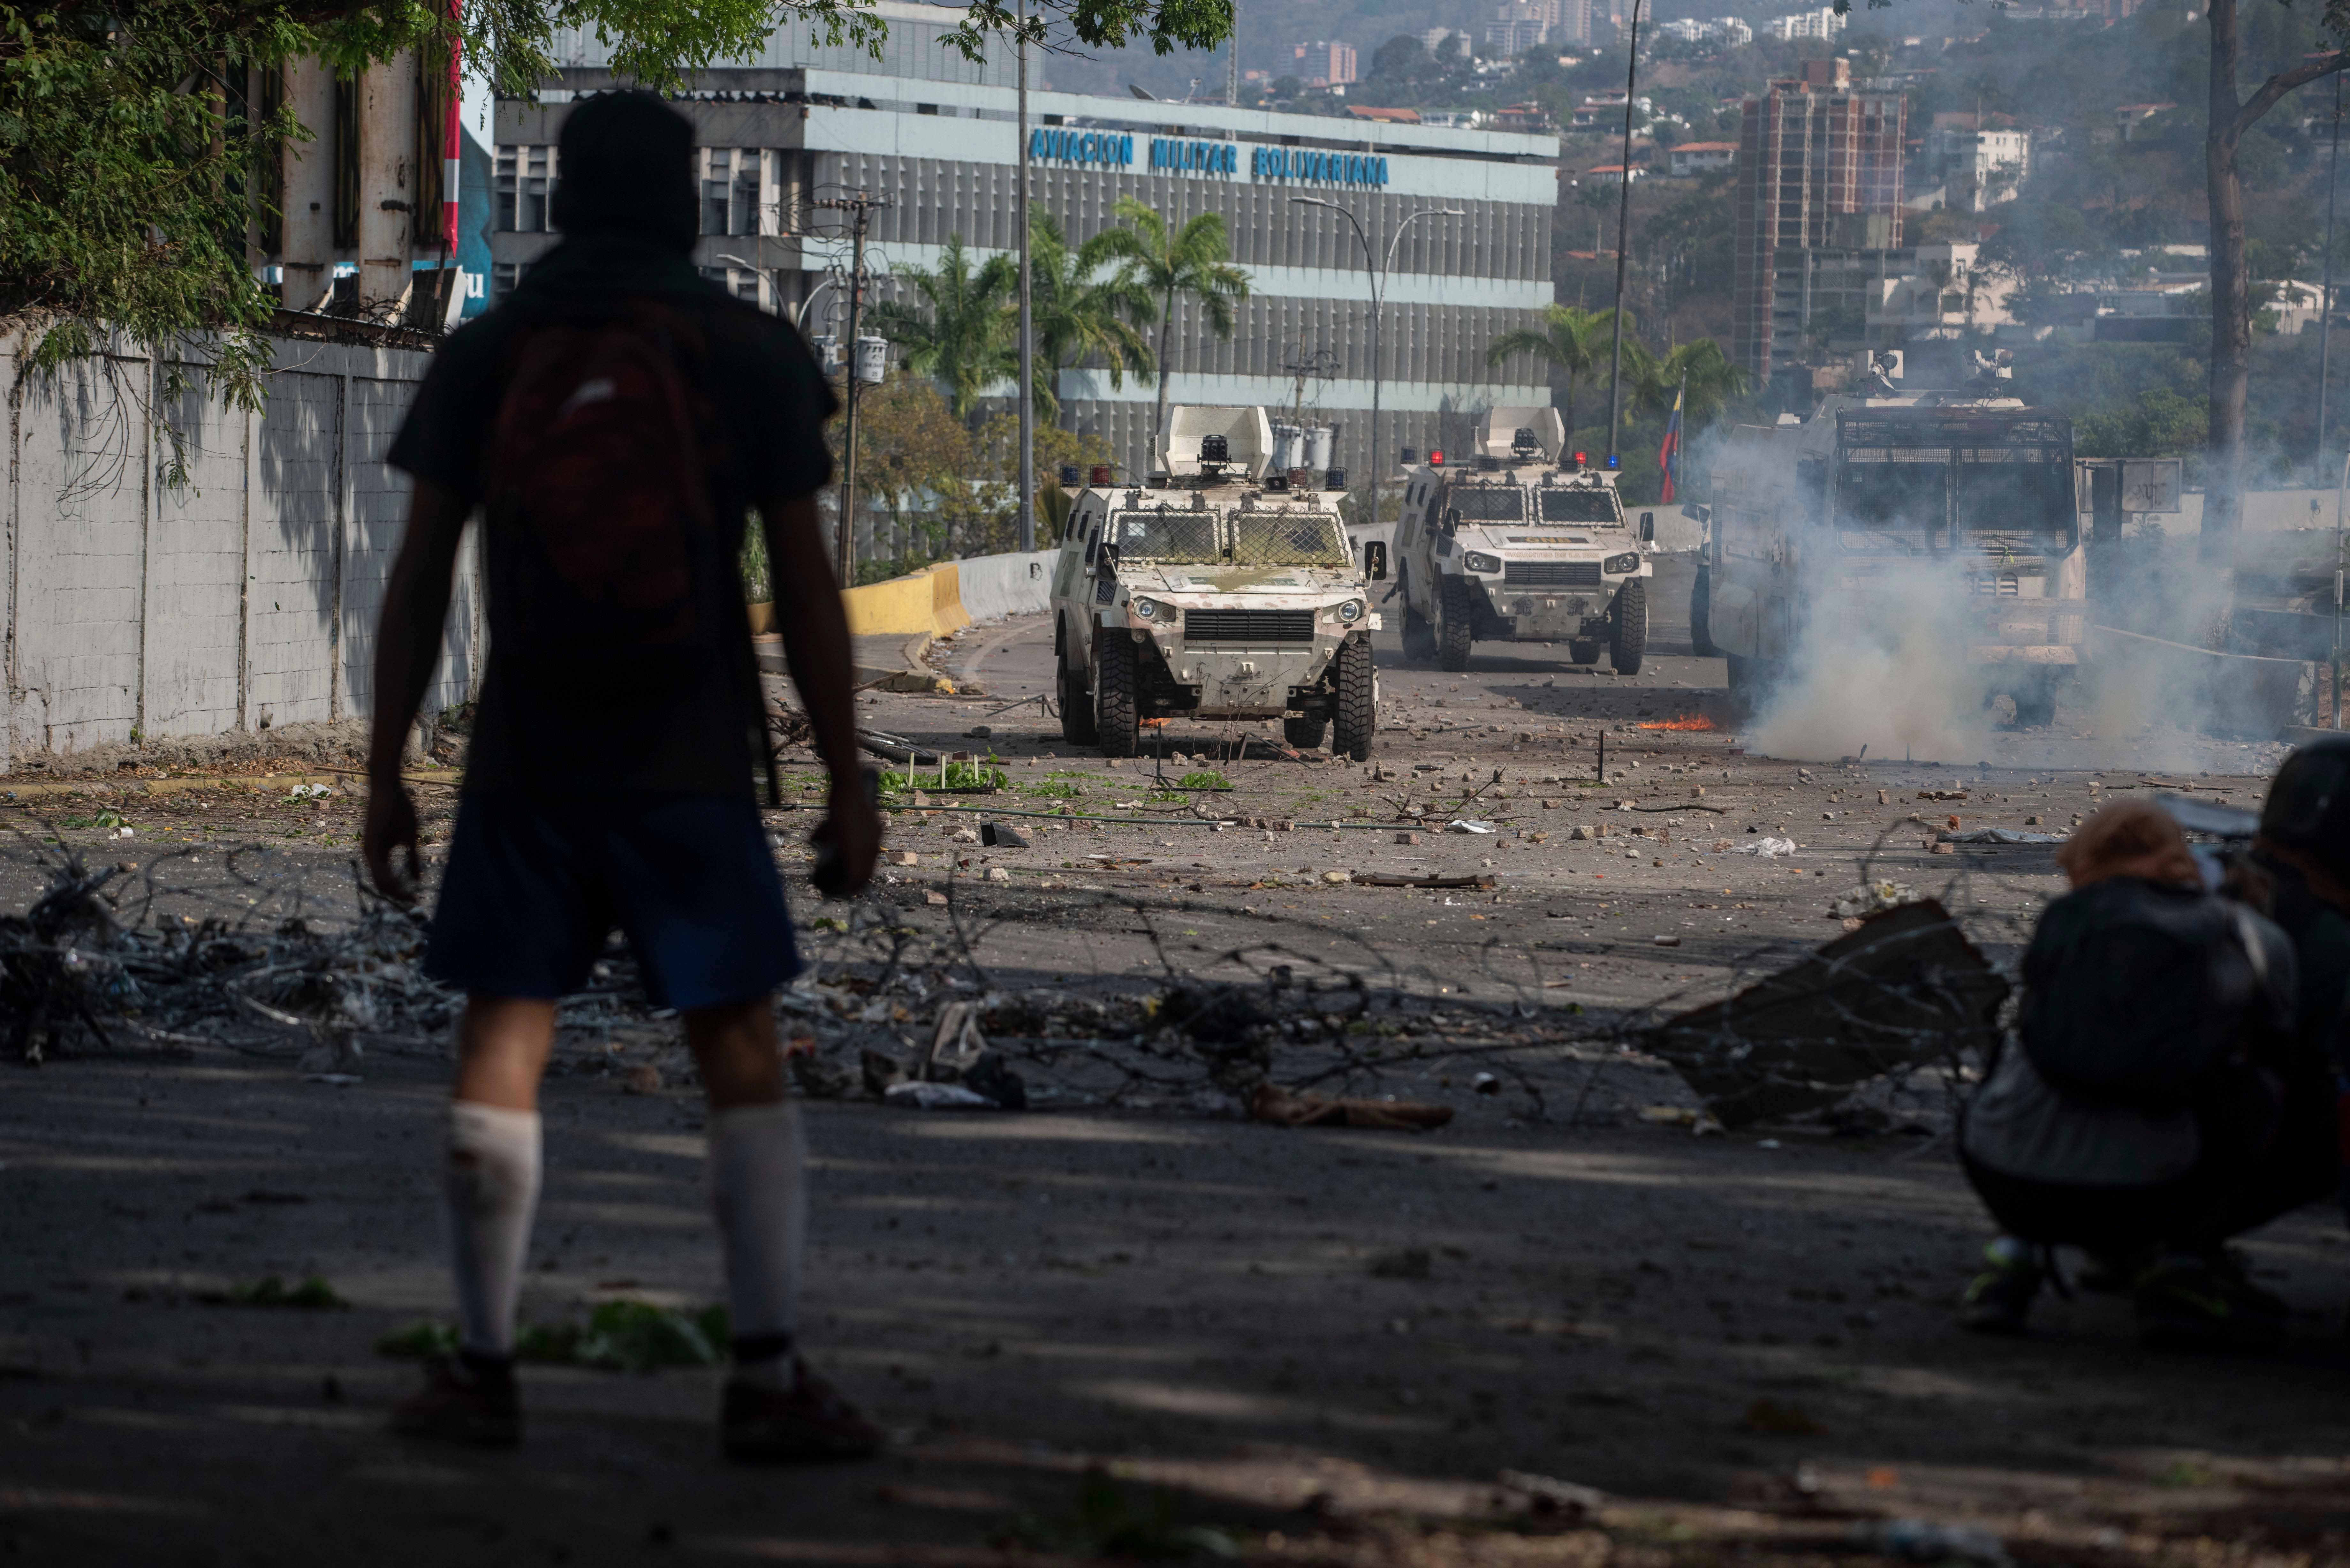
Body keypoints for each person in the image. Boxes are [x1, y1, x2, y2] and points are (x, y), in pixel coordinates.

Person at [361, 90, 881, 1459]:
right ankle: (765, 1382)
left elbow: (418, 581)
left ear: (567, 198)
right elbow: (810, 590)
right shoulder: (749, 350)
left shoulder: (489, 352)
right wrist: (850, 780)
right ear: (690, 198)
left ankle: (481, 1369)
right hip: (690, 754)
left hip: (529, 755)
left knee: (504, 1034)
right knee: (739, 1045)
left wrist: (382, 772)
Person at [1957, 799, 2328, 1348]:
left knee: (2024, 1065)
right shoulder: (2245, 933)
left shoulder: (2065, 922)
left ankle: (2010, 1262)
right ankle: (2180, 1264)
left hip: (2007, 1176)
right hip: (2160, 1186)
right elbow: (2282, 1059)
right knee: (2296, 1098)